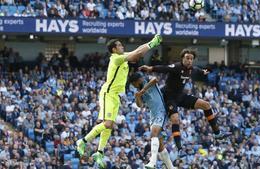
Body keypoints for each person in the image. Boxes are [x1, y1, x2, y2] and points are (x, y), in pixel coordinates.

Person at [76, 34, 162, 168]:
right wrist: (152, 43)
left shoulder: (121, 57)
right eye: (120, 45)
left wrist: (148, 45)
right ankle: (82, 141)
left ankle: (99, 152)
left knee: (109, 125)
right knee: (108, 123)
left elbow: (137, 51)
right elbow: (136, 54)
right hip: (108, 93)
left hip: (116, 96)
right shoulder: (116, 59)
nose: (122, 46)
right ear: (114, 49)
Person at [139, 48, 229, 151]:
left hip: (181, 96)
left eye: (191, 59)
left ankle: (217, 134)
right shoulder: (177, 67)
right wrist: (150, 68)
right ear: (182, 58)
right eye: (187, 58)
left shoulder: (193, 69)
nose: (189, 60)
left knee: (206, 105)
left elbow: (202, 71)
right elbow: (164, 68)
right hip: (169, 97)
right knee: (175, 119)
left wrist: (209, 70)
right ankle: (179, 147)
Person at [129, 72, 176, 169]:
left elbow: (155, 79)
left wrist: (143, 90)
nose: (133, 86)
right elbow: (140, 105)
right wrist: (137, 97)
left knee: (153, 134)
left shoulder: (147, 80)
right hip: (153, 114)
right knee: (160, 146)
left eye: (133, 83)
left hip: (161, 110)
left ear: (138, 80)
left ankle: (152, 162)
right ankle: (171, 167)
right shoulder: (138, 90)